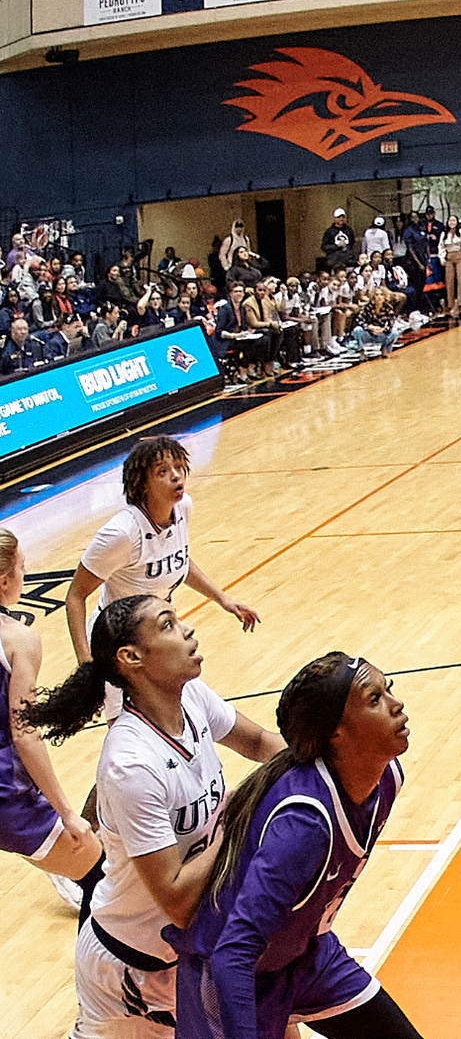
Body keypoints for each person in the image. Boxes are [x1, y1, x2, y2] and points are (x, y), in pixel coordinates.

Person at [23, 594, 283, 1039]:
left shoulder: (193, 699)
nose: (187, 630)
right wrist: (238, 815)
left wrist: (317, 772)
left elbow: (260, 743)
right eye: (167, 625)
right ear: (131, 658)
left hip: (186, 956)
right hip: (130, 971)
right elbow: (178, 899)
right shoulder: (130, 764)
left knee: (275, 1026)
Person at [170, 653, 420, 1039]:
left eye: (389, 690)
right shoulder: (305, 823)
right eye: (375, 699)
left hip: (305, 956)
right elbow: (233, 953)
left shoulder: (387, 779)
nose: (395, 704)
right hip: (234, 983)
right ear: (336, 732)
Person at [64, 436, 262, 712]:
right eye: (162, 472)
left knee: (174, 710)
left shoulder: (182, 508)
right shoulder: (121, 534)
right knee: (127, 723)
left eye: (179, 467)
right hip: (119, 645)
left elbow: (178, 560)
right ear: (142, 483)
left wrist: (223, 599)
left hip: (158, 633)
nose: (176, 476)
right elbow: (75, 595)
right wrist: (86, 663)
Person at [0, 529, 104, 914]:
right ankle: (101, 975)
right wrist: (67, 813)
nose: (27, 573)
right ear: (5, 580)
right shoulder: (19, 639)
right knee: (100, 880)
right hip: (5, 790)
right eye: (23, 567)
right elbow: (25, 735)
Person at [439, 217, 461, 318]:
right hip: (449, 257)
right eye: (450, 221)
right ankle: (451, 305)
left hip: (459, 257)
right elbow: (441, 246)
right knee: (449, 281)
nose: (451, 223)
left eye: (453, 221)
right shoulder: (444, 233)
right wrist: (441, 257)